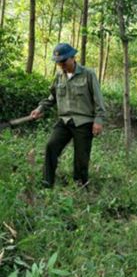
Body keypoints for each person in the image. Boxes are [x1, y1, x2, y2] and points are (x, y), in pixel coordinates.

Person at [30, 43, 106, 188]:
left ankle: (80, 186)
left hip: (83, 122)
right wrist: (40, 108)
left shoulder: (88, 74)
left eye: (63, 61)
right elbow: (52, 97)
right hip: (64, 120)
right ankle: (47, 182)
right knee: (51, 146)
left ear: (73, 58)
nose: (61, 65)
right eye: (58, 62)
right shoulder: (59, 75)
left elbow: (98, 100)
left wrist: (98, 120)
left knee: (81, 158)